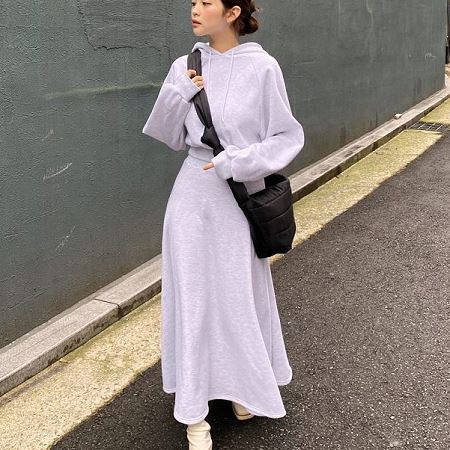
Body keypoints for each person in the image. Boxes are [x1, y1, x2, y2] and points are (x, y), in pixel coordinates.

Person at [142, 0, 305, 448]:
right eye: (193, 2)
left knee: (238, 292)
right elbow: (166, 135)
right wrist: (178, 91)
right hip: (192, 196)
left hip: (238, 194)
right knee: (194, 296)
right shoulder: (185, 63)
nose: (194, 9)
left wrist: (240, 160)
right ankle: (195, 414)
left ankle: (243, 386)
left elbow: (287, 136)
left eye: (205, 2)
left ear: (232, 12)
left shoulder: (263, 67)